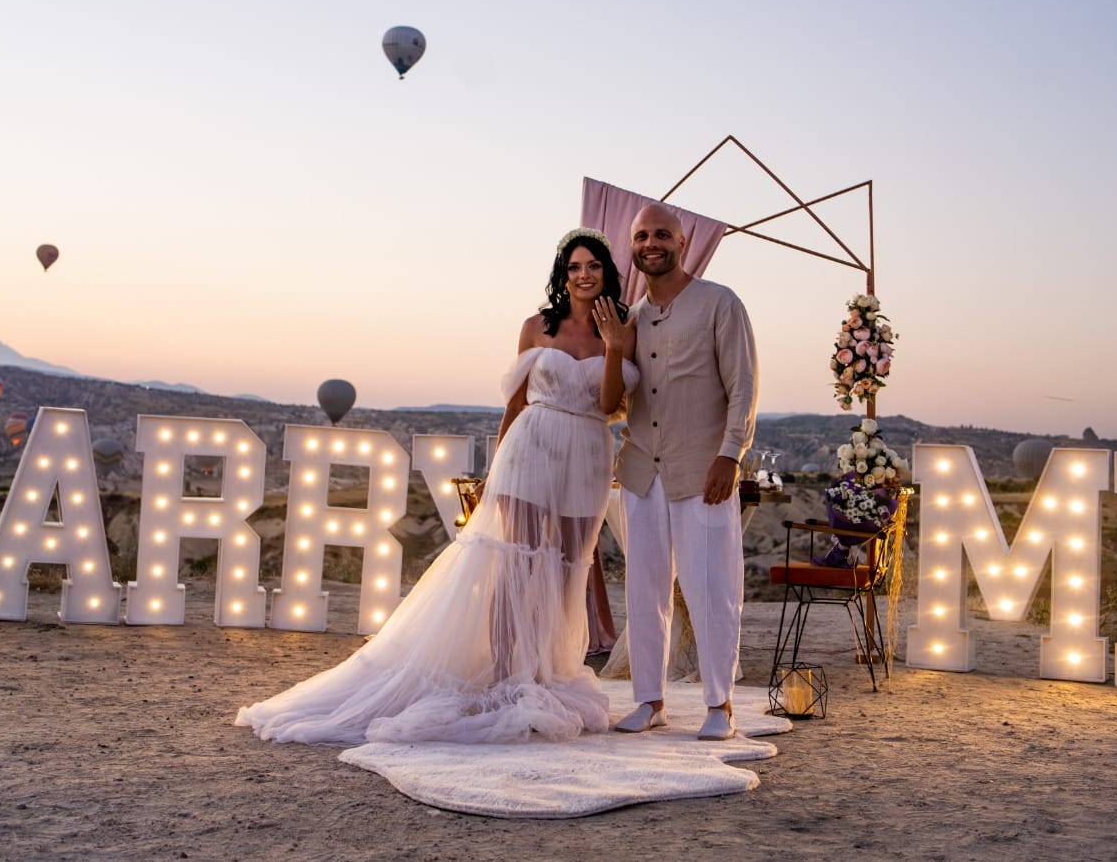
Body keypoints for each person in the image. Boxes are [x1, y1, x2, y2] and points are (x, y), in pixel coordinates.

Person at [235, 228, 637, 745]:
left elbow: (608, 408)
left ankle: (549, 673)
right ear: (563, 276)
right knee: (513, 563)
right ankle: (501, 675)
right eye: (574, 267)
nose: (584, 275)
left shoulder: (623, 328)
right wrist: (496, 468)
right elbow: (514, 406)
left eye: (593, 266)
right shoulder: (537, 326)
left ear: (607, 272)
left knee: (567, 570)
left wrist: (613, 348)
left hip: (587, 452)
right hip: (531, 449)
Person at [612, 203, 758, 742]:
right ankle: (650, 701)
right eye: (642, 235)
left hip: (703, 470)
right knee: (644, 590)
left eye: (661, 235)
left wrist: (731, 453)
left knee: (711, 587)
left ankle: (719, 704)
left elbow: (743, 384)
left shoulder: (720, 303)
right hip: (640, 471)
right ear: (633, 246)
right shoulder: (630, 319)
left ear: (682, 241)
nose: (651, 243)